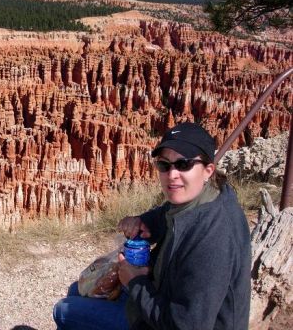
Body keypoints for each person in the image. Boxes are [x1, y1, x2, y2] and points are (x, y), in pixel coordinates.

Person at [53, 122, 251, 329]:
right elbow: (166, 213)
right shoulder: (203, 197)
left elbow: (186, 325)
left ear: (208, 170)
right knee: (78, 289)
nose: (172, 174)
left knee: (65, 310)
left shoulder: (214, 239)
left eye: (183, 164)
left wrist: (135, 283)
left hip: (169, 321)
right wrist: (143, 221)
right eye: (164, 165)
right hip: (162, 297)